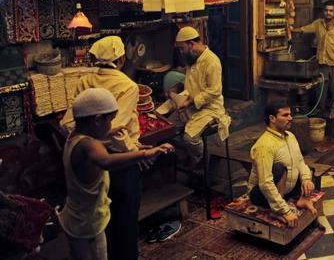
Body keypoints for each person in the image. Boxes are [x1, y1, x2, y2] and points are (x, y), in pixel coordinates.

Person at [58, 88, 173, 260]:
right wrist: (145, 154)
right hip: (88, 225)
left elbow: (95, 145)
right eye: (109, 120)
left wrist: (109, 133)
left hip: (74, 219)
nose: (111, 125)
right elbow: (106, 161)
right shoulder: (89, 146)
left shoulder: (74, 137)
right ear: (97, 120)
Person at [60, 36, 144, 260]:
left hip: (91, 160)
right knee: (124, 218)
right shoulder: (128, 85)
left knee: (102, 217)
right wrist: (138, 152)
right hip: (119, 157)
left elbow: (70, 122)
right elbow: (118, 127)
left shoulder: (85, 80)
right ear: (122, 59)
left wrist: (85, 144)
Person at [248, 101, 317, 228]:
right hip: (263, 196)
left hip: (286, 190)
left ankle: (303, 199)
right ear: (272, 118)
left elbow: (300, 161)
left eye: (290, 115)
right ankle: (276, 211)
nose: (290, 118)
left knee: (308, 171)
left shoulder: (290, 136)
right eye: (285, 115)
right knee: (280, 168)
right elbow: (265, 183)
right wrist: (284, 210)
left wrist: (307, 180)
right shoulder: (265, 145)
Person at [173, 26, 231, 167]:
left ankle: (201, 161)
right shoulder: (192, 58)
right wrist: (175, 89)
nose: (181, 52)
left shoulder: (212, 61)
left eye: (182, 48)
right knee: (168, 129)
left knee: (189, 139)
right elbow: (191, 81)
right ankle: (188, 156)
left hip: (210, 109)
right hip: (191, 106)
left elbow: (214, 91)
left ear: (192, 44)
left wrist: (190, 102)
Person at [290, 0, 334, 119]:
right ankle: (320, 110)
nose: (328, 13)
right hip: (322, 63)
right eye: (326, 10)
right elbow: (304, 29)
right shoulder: (318, 24)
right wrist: (290, 29)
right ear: (323, 11)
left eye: (331, 11)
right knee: (321, 88)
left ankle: (333, 109)